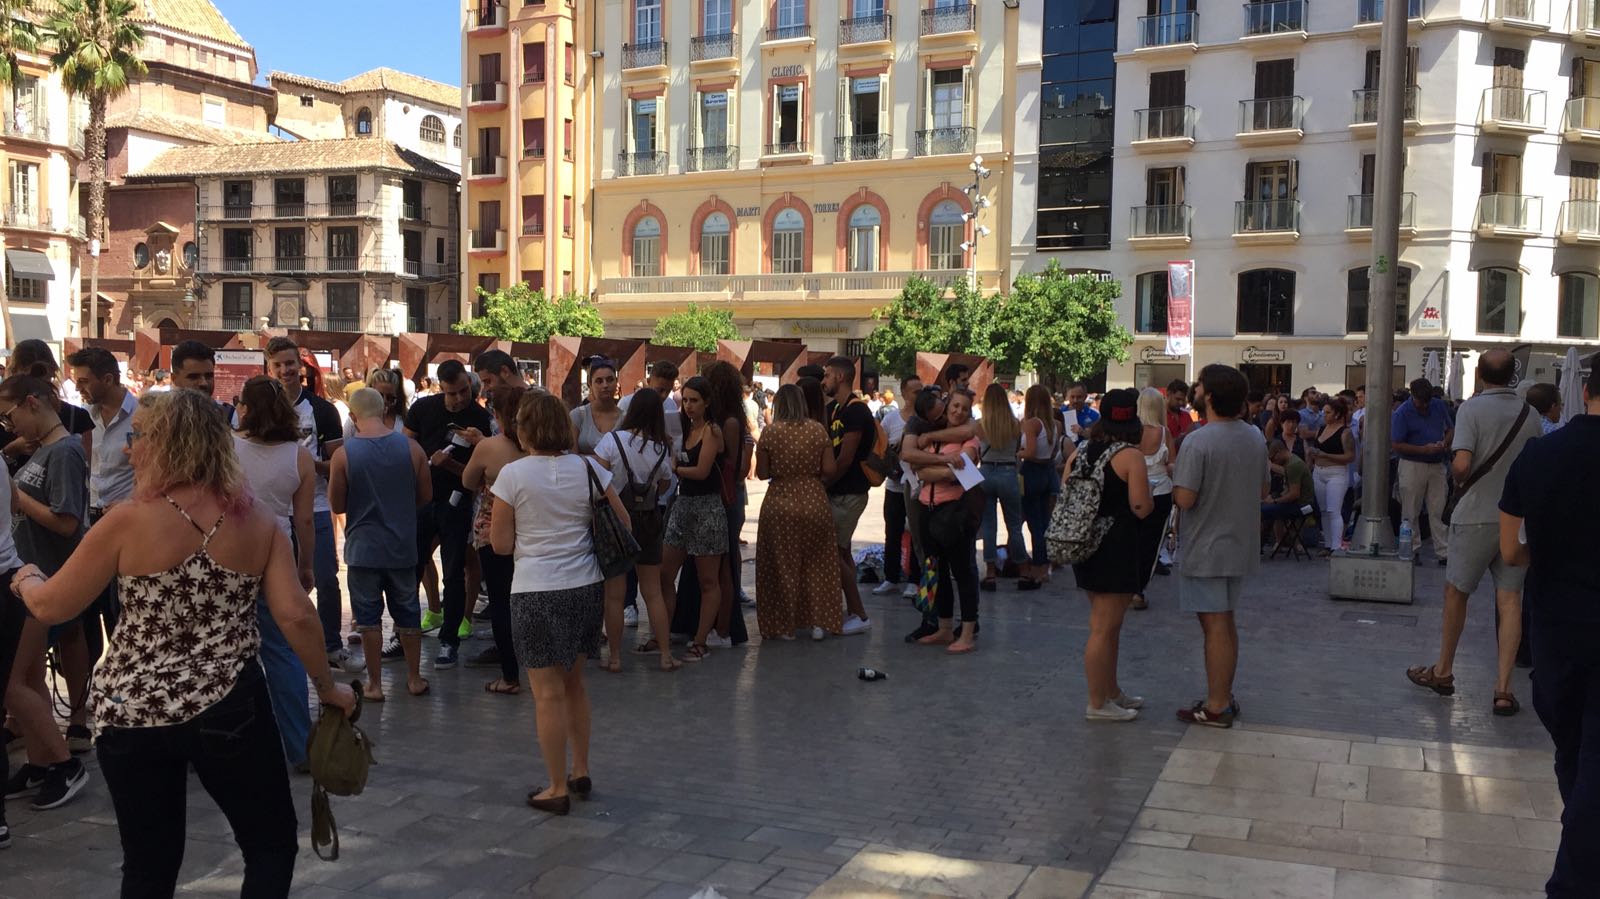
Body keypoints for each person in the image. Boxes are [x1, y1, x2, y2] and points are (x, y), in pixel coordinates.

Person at [14, 389, 356, 895]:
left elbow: (52, 606)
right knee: (270, 843)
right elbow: (295, 615)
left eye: (137, 438)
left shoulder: (126, 521)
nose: (129, 450)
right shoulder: (257, 522)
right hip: (228, 707)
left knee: (149, 864)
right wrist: (328, 688)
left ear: (170, 443)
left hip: (132, 713)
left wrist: (24, 578)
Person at [490, 392, 625, 815]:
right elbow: (624, 522)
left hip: (534, 591)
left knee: (545, 695)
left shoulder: (512, 476)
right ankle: (580, 770)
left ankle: (554, 787)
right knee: (574, 684)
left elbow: (499, 544)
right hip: (585, 586)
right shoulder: (588, 468)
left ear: (524, 428)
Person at [1498, 366, 1600, 896]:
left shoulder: (1541, 456)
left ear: (1585, 392)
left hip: (1558, 629)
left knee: (1574, 753)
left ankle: (1578, 856)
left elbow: (1512, 550)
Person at [1407, 349, 1541, 715]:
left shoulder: (1471, 409)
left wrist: (1454, 468)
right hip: (1517, 520)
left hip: (1476, 514)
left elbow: (1463, 465)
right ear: (1513, 375)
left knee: (1457, 594)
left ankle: (1444, 671)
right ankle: (1502, 689)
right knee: (1510, 600)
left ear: (1480, 374)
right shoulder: (1530, 414)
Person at [0, 371, 89, 809]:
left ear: (32, 403)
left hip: (46, 577)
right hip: (28, 577)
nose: (10, 425)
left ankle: (63, 763)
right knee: (29, 677)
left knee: (12, 682)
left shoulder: (66, 452)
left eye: (11, 414)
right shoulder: (45, 450)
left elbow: (67, 521)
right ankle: (41, 761)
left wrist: (19, 496)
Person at [1172, 364, 1268, 728]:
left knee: (1213, 625)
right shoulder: (1254, 437)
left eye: (1199, 386)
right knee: (1226, 622)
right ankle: (1223, 695)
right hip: (1240, 542)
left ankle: (1216, 704)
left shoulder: (1198, 441)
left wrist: (1171, 474)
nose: (1195, 390)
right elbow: (1262, 489)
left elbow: (1184, 498)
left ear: (1209, 396)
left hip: (1206, 545)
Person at [231, 376, 318, 766]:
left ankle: (234, 744)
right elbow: (305, 521)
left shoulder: (227, 448)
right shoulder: (298, 456)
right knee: (283, 652)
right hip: (277, 552)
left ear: (244, 407)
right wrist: (306, 566)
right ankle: (300, 747)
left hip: (230, 553)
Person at [329, 387, 432, 702]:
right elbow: (426, 496)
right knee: (408, 612)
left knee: (369, 618)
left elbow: (337, 503)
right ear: (384, 408)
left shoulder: (344, 454)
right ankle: (414, 677)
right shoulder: (412, 449)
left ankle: (375, 684)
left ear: (353, 415)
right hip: (402, 546)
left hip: (362, 549)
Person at [261, 337, 354, 674]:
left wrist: (305, 463)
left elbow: (337, 464)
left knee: (326, 579)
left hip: (314, 506)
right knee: (271, 582)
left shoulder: (322, 410)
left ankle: (332, 645)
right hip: (271, 510)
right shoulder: (261, 409)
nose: (285, 371)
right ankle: (278, 646)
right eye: (278, 365)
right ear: (269, 369)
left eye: (290, 364)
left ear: (300, 367)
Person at [1065, 390, 1153, 721]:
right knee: (1103, 627)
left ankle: (1111, 691)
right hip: (1116, 546)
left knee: (1109, 625)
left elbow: (1066, 489)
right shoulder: (1130, 456)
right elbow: (1141, 506)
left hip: (1085, 544)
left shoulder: (1082, 451)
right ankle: (1097, 703)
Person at [404, 359, 493, 669]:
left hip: (458, 502)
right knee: (412, 566)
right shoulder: (423, 409)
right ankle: (406, 634)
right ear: (441, 388)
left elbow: (482, 476)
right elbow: (407, 443)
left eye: (463, 391)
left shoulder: (481, 418)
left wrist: (451, 464)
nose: (458, 399)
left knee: (455, 571)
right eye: (451, 393)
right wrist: (420, 463)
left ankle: (449, 640)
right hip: (421, 501)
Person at [595, 388, 678, 670]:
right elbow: (666, 484)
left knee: (615, 595)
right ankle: (666, 655)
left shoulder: (611, 441)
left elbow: (599, 478)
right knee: (652, 591)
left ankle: (615, 658)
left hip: (617, 522)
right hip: (650, 520)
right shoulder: (660, 447)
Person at [754, 384, 840, 641]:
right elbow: (830, 469)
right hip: (814, 498)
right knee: (818, 563)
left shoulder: (770, 432)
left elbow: (763, 473)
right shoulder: (817, 430)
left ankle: (784, 625)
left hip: (780, 500)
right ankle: (817, 622)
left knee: (781, 564)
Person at [461, 384, 530, 687]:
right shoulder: (539, 448)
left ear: (498, 414)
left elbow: (467, 480)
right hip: (531, 531)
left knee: (501, 602)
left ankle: (510, 674)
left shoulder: (489, 447)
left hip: (492, 531)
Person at [904, 389, 982, 653]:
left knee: (963, 573)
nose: (958, 411)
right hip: (928, 509)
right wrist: (942, 468)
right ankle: (945, 627)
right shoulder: (932, 434)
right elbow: (914, 464)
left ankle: (968, 631)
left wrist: (932, 471)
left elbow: (961, 470)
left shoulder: (970, 439)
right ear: (947, 406)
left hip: (955, 513)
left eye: (964, 408)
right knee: (936, 572)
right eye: (955, 405)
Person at [659, 376, 728, 662]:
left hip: (707, 507)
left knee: (708, 580)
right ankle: (662, 633)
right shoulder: (681, 429)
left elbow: (701, 471)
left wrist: (675, 468)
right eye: (685, 400)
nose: (688, 406)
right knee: (664, 573)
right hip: (683, 504)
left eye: (694, 400)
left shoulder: (712, 431)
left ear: (706, 402)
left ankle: (700, 641)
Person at [821, 356, 874, 635]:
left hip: (849, 493)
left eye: (828, 375)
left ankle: (859, 613)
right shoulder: (837, 410)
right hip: (841, 492)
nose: (824, 380)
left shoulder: (856, 411)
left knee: (832, 553)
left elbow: (845, 459)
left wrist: (823, 484)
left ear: (840, 377)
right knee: (841, 551)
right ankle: (852, 610)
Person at [1392, 377, 1453, 566]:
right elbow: (1396, 444)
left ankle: (1444, 552)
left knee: (1438, 509)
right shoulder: (1402, 413)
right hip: (1412, 464)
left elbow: (1450, 428)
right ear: (1413, 396)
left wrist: (1444, 443)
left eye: (1427, 401)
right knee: (1411, 509)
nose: (1424, 406)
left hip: (1436, 463)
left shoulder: (1438, 406)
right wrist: (1423, 449)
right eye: (1420, 402)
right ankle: (1412, 548)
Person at [874, 376, 920, 598]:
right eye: (914, 391)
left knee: (917, 534)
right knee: (892, 532)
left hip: (917, 486)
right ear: (903, 393)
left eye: (921, 391)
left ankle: (914, 579)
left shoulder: (923, 421)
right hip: (894, 486)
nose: (918, 396)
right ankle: (891, 577)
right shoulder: (891, 419)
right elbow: (879, 445)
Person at [1132, 387, 1176, 610]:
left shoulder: (1132, 432)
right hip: (1160, 492)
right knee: (1151, 545)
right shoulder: (1164, 433)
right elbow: (1172, 465)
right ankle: (1138, 591)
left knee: (1131, 541)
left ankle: (1126, 586)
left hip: (1133, 492)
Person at [1019, 385, 1061, 588]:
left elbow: (1030, 452)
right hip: (1048, 471)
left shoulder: (1032, 424)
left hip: (1032, 471)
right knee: (1044, 521)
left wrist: (1015, 453)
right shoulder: (1054, 424)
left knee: (1033, 523)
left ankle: (1038, 566)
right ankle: (1046, 565)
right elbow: (1052, 453)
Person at [1306, 397, 1357, 556]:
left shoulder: (1345, 432)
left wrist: (1325, 455)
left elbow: (1350, 456)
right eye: (1324, 412)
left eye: (1328, 412)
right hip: (1318, 471)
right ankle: (1328, 544)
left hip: (1336, 472)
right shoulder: (1321, 429)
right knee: (1324, 511)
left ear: (1337, 414)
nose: (1324, 415)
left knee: (1334, 509)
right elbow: (1315, 449)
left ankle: (1336, 546)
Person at [1262, 439, 1315, 547]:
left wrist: (1274, 501)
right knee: (1266, 507)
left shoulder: (1293, 466)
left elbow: (1294, 494)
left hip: (1302, 505)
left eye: (1272, 458)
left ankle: (1257, 546)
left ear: (1279, 452)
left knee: (1261, 512)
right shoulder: (1292, 462)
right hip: (1301, 502)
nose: (1273, 462)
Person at [571, 357, 623, 454]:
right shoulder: (577, 415)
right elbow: (571, 457)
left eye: (610, 380)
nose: (605, 385)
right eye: (599, 381)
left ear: (616, 382)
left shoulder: (625, 419)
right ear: (590, 384)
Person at [1063, 382, 1100, 449]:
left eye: (1079, 397)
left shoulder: (1095, 415)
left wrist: (1082, 432)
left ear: (1085, 397)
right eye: (1072, 397)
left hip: (1086, 454)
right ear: (1067, 396)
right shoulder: (1060, 413)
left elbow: (1098, 439)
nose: (1075, 400)